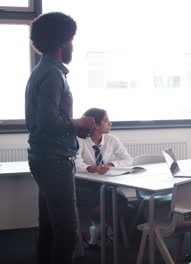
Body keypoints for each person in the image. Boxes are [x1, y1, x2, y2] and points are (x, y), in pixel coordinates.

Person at [25, 12, 95, 264]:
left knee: (49, 228)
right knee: (67, 233)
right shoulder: (53, 74)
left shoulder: (42, 70)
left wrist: (74, 126)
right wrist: (78, 124)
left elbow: (47, 119)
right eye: (71, 39)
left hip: (44, 156)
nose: (73, 45)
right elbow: (48, 121)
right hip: (54, 159)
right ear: (62, 42)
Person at [74, 108, 132, 247]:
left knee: (121, 200)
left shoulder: (112, 139)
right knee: (103, 201)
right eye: (106, 121)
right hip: (84, 184)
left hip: (105, 183)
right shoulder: (79, 140)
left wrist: (111, 164)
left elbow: (128, 160)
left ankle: (100, 229)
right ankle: (98, 228)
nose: (110, 123)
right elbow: (75, 163)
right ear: (96, 125)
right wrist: (92, 168)